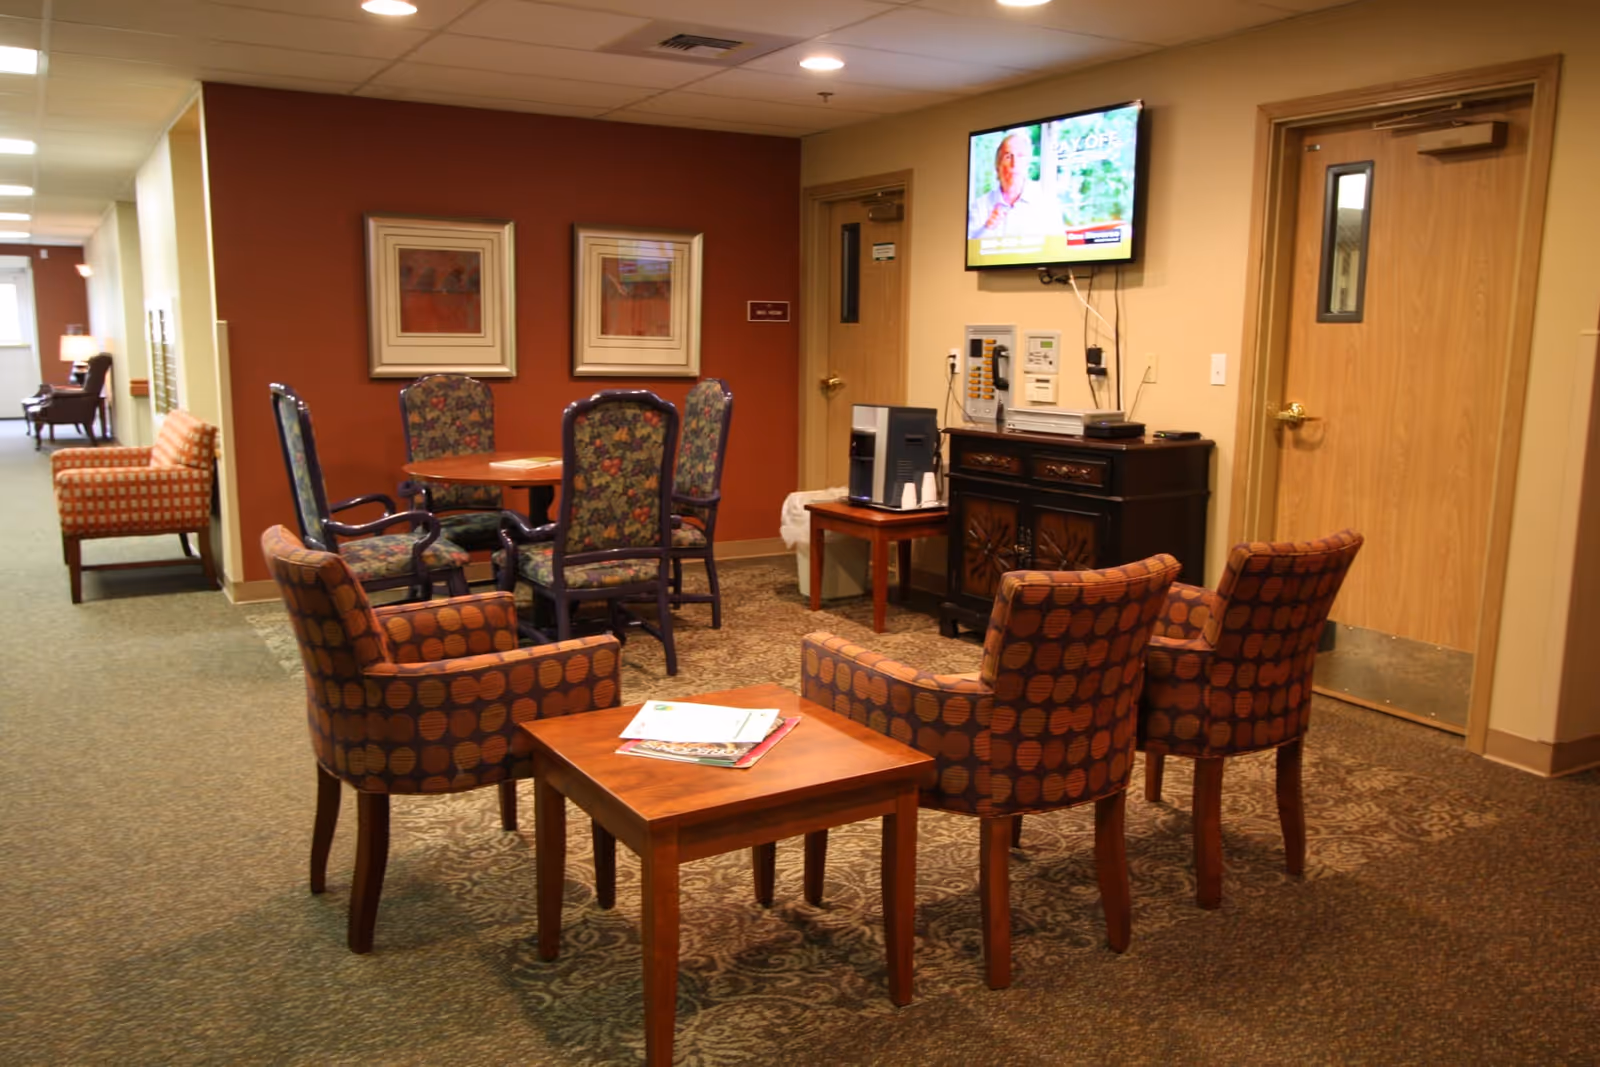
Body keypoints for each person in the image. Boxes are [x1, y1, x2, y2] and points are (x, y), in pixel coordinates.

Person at [967, 130, 1060, 240]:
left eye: (1020, 156)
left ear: (1027, 164)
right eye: (1008, 156)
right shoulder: (979, 207)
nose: (1014, 163)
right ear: (997, 166)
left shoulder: (1046, 202)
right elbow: (968, 245)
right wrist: (987, 228)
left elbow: (1057, 245)